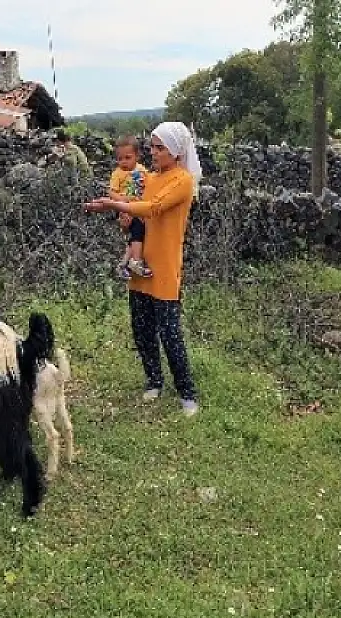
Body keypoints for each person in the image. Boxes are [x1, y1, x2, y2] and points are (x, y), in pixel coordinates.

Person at [85, 122, 201, 417]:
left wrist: (114, 205)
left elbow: (152, 208)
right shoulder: (149, 178)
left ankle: (187, 392)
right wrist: (111, 205)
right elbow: (137, 209)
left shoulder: (182, 181)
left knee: (170, 333)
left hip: (163, 267)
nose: (153, 152)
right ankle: (154, 380)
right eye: (152, 147)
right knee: (142, 330)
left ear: (175, 151)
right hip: (142, 264)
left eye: (159, 148)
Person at [108, 136, 152, 280]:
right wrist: (124, 202)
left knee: (136, 236)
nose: (123, 162)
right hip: (124, 210)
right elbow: (111, 193)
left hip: (138, 209)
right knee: (138, 230)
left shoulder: (143, 171)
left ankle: (124, 264)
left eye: (127, 157)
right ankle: (136, 262)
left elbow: (148, 187)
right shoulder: (117, 174)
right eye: (120, 159)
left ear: (137, 156)